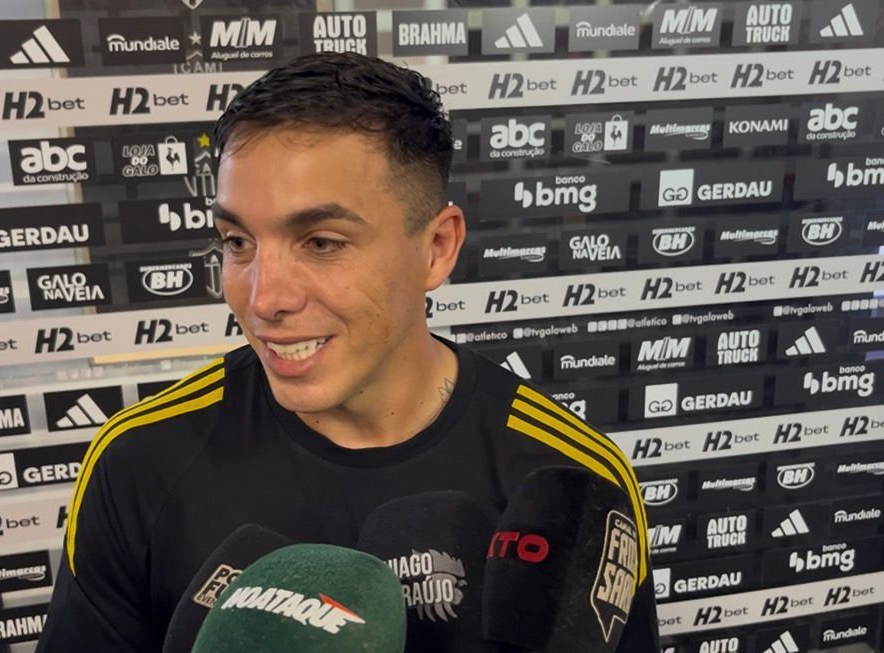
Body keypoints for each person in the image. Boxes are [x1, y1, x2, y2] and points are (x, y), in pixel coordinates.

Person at [36, 52, 659, 652]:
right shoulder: (139, 461)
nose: (264, 298)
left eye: (322, 242)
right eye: (237, 241)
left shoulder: (574, 483)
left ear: (437, 248)